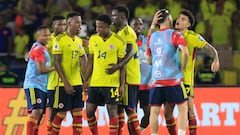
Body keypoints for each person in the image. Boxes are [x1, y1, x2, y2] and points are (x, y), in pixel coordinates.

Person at [164, 9, 220, 135]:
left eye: (183, 19)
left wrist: (215, 58)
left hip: (185, 80)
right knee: (167, 113)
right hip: (169, 80)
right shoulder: (169, 35)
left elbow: (210, 48)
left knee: (189, 111)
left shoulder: (192, 37)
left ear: (188, 25)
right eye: (178, 18)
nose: (178, 20)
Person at [147, 9, 189, 135]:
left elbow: (149, 60)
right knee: (183, 108)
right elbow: (185, 52)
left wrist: (153, 25)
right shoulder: (175, 35)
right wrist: (182, 67)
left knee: (154, 112)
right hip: (173, 80)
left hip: (156, 81)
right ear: (170, 19)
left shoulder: (152, 37)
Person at [85, 14, 126, 135]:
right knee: (89, 111)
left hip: (111, 83)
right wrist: (85, 80)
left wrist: (122, 84)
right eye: (97, 26)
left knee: (112, 111)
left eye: (101, 27)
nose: (98, 29)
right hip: (95, 82)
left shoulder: (119, 41)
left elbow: (122, 64)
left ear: (109, 27)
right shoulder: (93, 39)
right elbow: (91, 61)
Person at [51, 12, 87, 135]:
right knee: (61, 114)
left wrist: (85, 80)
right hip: (63, 84)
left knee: (78, 115)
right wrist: (66, 83)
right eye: (77, 22)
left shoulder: (78, 41)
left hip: (77, 82)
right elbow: (56, 63)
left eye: (80, 23)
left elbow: (83, 58)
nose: (80, 26)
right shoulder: (59, 39)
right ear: (69, 23)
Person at [109, 5, 141, 135]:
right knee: (120, 109)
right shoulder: (120, 33)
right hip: (125, 77)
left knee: (129, 109)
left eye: (114, 16)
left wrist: (118, 66)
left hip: (129, 77)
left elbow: (131, 51)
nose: (112, 19)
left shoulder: (127, 32)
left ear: (122, 17)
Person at [23, 25, 54, 135]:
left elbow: (28, 56)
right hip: (34, 84)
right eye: (44, 35)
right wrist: (56, 68)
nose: (47, 37)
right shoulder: (39, 49)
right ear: (38, 36)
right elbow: (41, 69)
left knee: (40, 115)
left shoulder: (39, 47)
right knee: (37, 111)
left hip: (43, 86)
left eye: (48, 35)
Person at [45, 15, 66, 134]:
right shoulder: (48, 40)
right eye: (59, 24)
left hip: (69, 80)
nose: (62, 27)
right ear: (53, 26)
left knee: (68, 109)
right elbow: (39, 50)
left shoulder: (70, 38)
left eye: (64, 24)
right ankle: (49, 132)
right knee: (52, 109)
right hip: (53, 80)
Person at [130, 17, 151, 131]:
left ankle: (140, 131)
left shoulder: (148, 42)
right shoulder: (126, 42)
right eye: (135, 24)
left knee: (149, 114)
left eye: (140, 24)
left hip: (146, 84)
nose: (138, 26)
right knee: (132, 116)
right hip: (131, 83)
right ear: (130, 26)